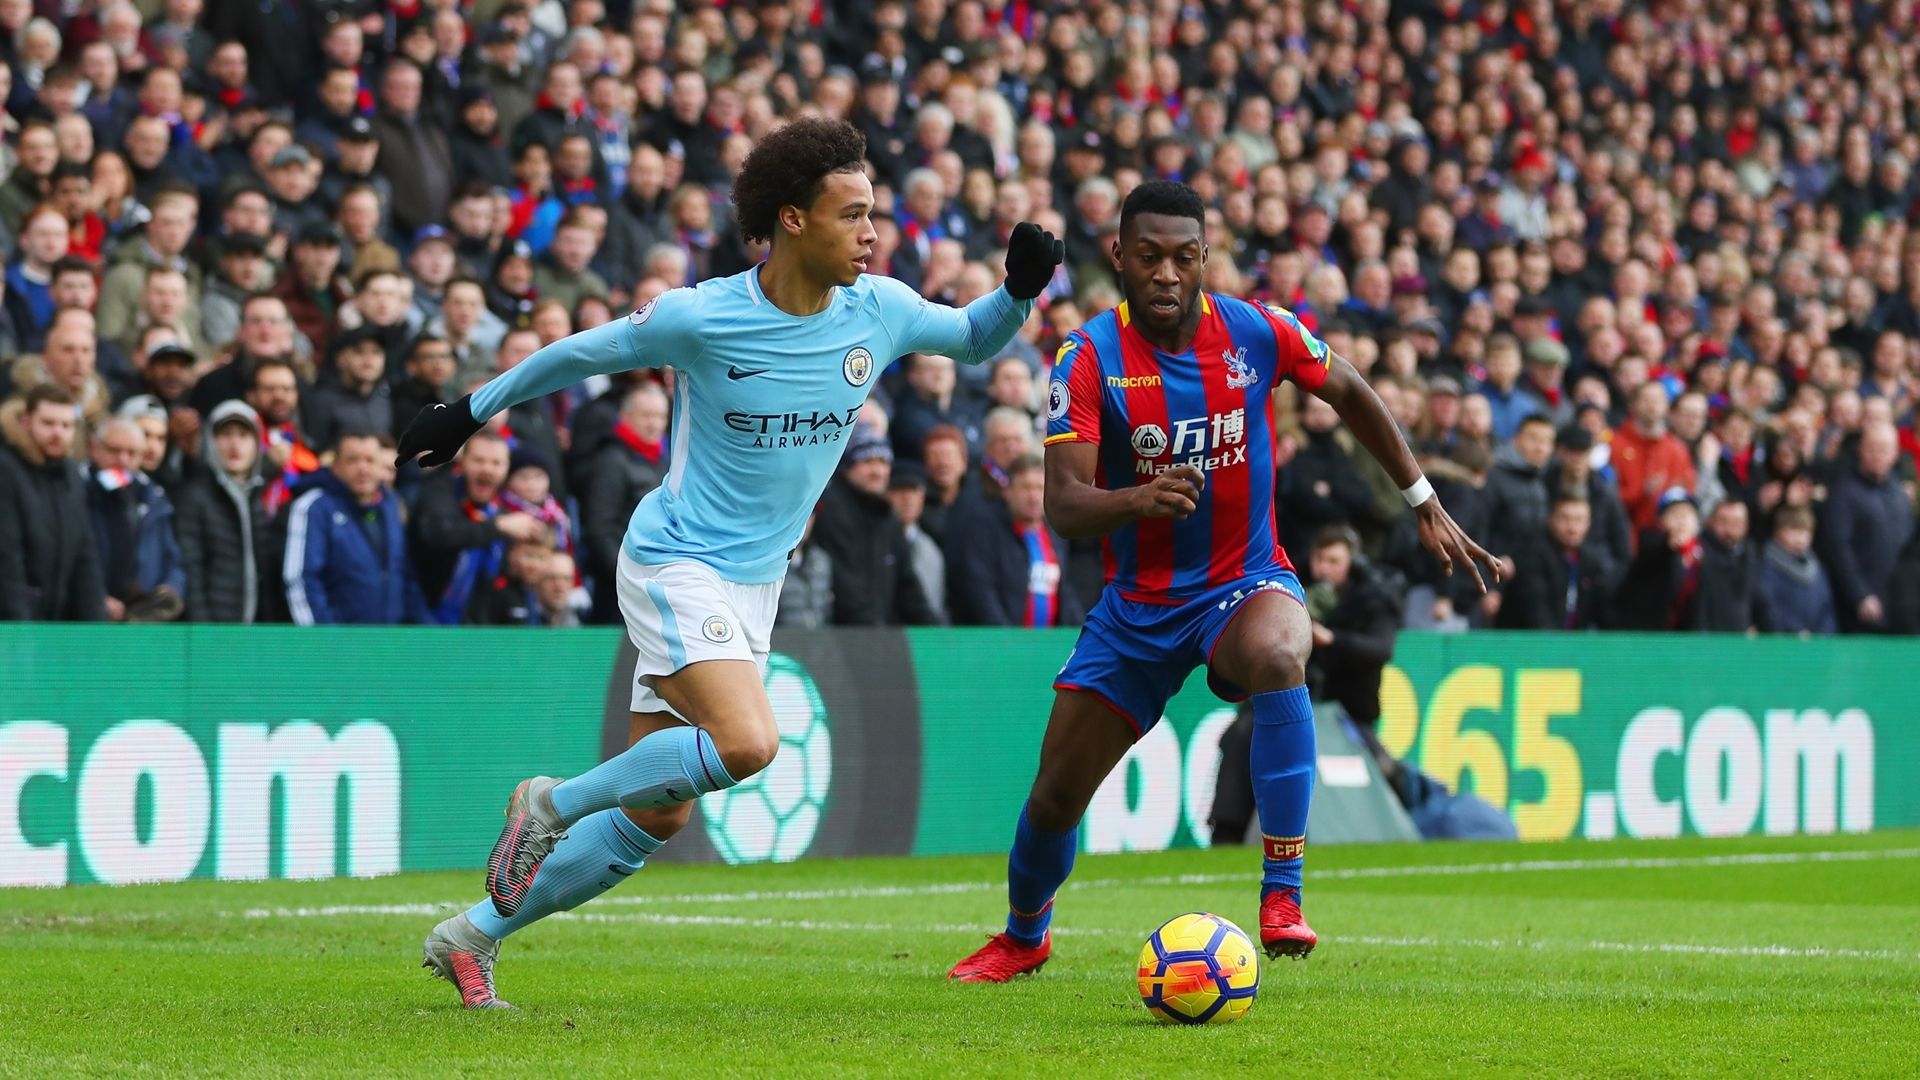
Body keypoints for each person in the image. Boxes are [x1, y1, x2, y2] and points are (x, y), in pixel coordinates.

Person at [397, 116, 1061, 1008]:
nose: (873, 233)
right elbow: (574, 353)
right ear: (792, 220)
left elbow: (976, 338)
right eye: (852, 214)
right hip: (675, 561)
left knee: (659, 811)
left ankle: (472, 936)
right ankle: (547, 805)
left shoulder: (883, 311)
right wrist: (469, 410)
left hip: (755, 581)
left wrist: (1018, 289)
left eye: (875, 214)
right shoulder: (703, 316)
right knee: (747, 741)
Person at [949, 181, 1493, 982]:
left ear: (1205, 256)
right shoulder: (1088, 356)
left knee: (1281, 653)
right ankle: (1025, 935)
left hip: (1244, 582)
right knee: (1055, 798)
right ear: (1120, 259)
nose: (1166, 274)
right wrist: (1139, 495)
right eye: (1148, 258)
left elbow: (1347, 388)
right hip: (1137, 609)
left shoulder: (1258, 330)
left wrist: (1421, 497)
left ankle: (1283, 895)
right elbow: (1062, 505)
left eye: (1182, 256)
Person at [283, 429, 432, 626]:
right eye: (352, 460)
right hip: (337, 646)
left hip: (389, 643)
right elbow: (302, 581)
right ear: (335, 466)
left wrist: (429, 631)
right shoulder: (315, 508)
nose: (362, 468)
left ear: (381, 467)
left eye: (369, 460)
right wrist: (323, 642)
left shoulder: (392, 505)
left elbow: (404, 576)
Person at [812, 428, 942, 626]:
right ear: (848, 467)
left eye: (883, 462)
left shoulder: (887, 516)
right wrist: (877, 636)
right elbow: (845, 586)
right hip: (841, 638)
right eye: (867, 462)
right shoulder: (832, 511)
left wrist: (937, 632)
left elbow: (907, 586)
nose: (877, 471)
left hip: (878, 637)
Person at [0, 383, 106, 620]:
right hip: (13, 628)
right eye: (48, 423)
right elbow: (7, 560)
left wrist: (99, 634)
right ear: (26, 421)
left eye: (66, 425)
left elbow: (85, 557)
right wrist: (19, 635)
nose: (58, 432)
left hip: (53, 626)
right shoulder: (6, 470)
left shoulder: (70, 473)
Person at [947, 451, 1082, 626]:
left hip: (1048, 646)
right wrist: (1007, 641)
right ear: (1008, 491)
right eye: (1026, 487)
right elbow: (980, 590)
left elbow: (1064, 591)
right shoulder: (984, 528)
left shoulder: (1055, 533)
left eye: (1040, 488)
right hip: (1005, 645)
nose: (1033, 496)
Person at [173, 400, 270, 623]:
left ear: (257, 444)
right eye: (225, 434)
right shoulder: (194, 496)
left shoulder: (263, 497)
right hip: (213, 634)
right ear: (210, 441)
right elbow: (191, 570)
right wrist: (204, 632)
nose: (234, 444)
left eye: (244, 435)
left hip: (255, 632)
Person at [82, 417, 186, 622]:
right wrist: (95, 597)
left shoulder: (154, 498)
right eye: (114, 450)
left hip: (142, 620)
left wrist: (171, 588)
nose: (123, 459)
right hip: (89, 617)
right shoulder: (77, 492)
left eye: (132, 453)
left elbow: (173, 557)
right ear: (95, 448)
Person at [581, 383, 668, 623]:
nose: (654, 424)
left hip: (660, 585)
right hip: (620, 591)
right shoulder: (611, 460)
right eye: (646, 416)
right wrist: (628, 577)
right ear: (625, 417)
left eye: (660, 416)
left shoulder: (664, 459)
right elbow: (599, 530)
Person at [1818, 420, 1914, 633]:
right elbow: (1838, 549)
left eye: (1885, 449)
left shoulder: (1899, 492)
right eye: (1872, 448)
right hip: (1861, 607)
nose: (1878, 454)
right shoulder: (1843, 493)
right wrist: (1860, 595)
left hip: (1900, 604)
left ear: (1895, 454)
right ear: (1861, 449)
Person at [1496, 493, 1616, 630]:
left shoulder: (1592, 563)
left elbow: (1605, 613)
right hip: (1526, 646)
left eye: (1579, 520)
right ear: (1551, 519)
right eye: (1565, 519)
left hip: (1571, 646)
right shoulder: (1532, 556)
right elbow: (1537, 616)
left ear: (1588, 523)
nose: (1572, 528)